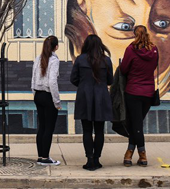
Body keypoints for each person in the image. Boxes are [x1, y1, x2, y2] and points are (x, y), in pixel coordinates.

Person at [70, 34, 113, 171]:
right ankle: (97, 159)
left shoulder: (80, 59)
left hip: (84, 96)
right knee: (99, 130)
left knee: (87, 130)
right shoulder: (106, 60)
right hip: (101, 96)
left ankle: (89, 159)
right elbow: (110, 80)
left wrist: (84, 85)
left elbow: (73, 78)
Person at [119, 25, 159, 167]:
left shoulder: (131, 49)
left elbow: (124, 69)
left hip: (133, 91)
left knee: (136, 124)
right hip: (148, 92)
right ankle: (130, 153)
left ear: (134, 34)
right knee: (137, 123)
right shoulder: (154, 50)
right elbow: (154, 66)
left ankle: (140, 154)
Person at [31, 35, 61, 166]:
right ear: (56, 47)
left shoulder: (38, 58)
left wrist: (35, 93)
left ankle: (40, 156)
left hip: (38, 95)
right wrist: (57, 101)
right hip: (48, 96)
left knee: (41, 127)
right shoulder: (54, 60)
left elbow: (33, 78)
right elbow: (52, 81)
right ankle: (45, 157)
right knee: (49, 127)